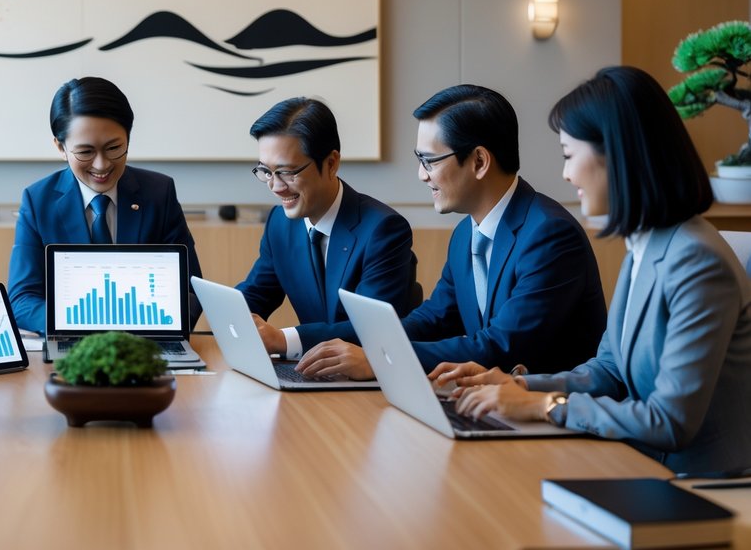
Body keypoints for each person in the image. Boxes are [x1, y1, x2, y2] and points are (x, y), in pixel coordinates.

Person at [443, 66, 751, 474]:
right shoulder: (646, 245)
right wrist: (518, 386)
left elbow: (670, 421)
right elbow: (607, 369)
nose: (566, 174)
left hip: (698, 485)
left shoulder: (697, 261)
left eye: (569, 155)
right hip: (639, 462)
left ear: (618, 154)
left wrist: (544, 406)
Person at [298, 84, 607, 378]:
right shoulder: (464, 234)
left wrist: (382, 359)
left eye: (429, 160)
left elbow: (501, 346)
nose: (421, 175)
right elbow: (434, 319)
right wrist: (364, 346)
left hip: (551, 417)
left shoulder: (550, 235)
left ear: (479, 161)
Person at [8, 77, 202, 334]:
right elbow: (22, 299)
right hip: (75, 345)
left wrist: (146, 329)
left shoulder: (159, 193)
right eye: (85, 152)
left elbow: (191, 291)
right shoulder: (38, 200)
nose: (102, 165)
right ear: (60, 146)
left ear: (128, 139)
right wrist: (86, 328)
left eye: (114, 148)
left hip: (144, 344)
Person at [238, 97, 418, 360]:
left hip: (367, 381)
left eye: (287, 172)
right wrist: (231, 315)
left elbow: (372, 330)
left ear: (332, 163)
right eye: (266, 171)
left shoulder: (384, 230)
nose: (275, 186)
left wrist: (283, 340)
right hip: (311, 376)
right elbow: (256, 293)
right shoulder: (280, 223)